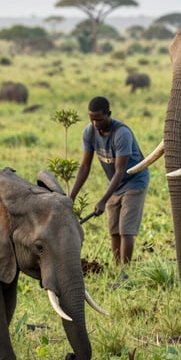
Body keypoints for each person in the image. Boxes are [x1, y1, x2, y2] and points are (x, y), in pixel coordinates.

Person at [69, 96, 149, 265]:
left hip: (134, 181)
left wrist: (103, 200)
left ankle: (124, 270)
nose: (96, 124)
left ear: (109, 114)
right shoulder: (89, 132)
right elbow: (84, 167)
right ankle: (116, 265)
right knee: (113, 229)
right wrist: (71, 197)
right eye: (92, 120)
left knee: (125, 229)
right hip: (114, 184)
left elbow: (120, 170)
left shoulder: (122, 134)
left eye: (99, 119)